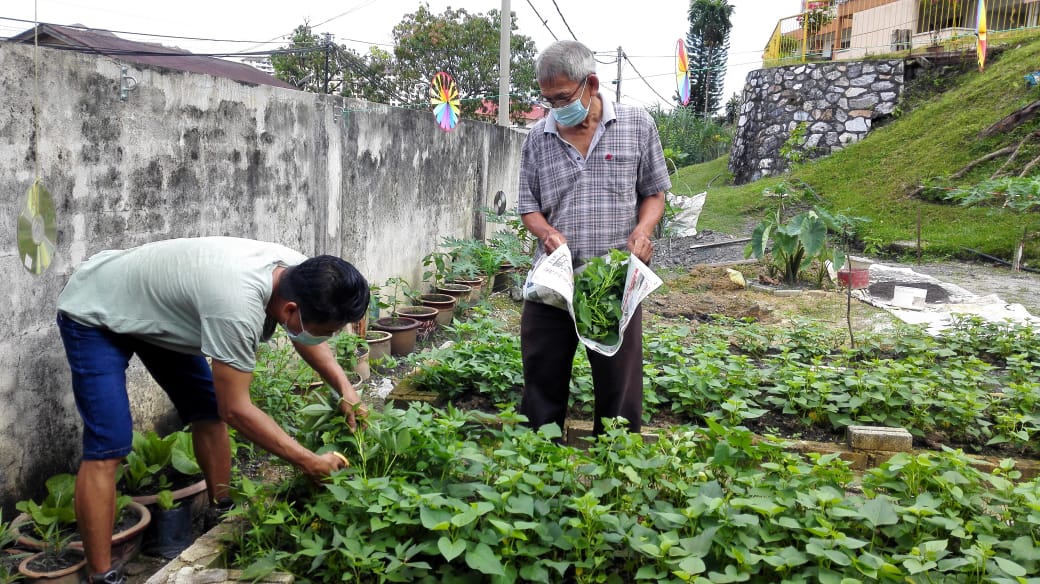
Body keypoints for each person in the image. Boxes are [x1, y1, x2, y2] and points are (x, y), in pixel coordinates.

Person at [55, 236, 369, 584]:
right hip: (95, 309)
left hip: (156, 310)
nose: (326, 336)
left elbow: (304, 335)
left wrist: (345, 388)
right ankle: (102, 575)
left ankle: (220, 510)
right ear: (290, 310)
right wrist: (308, 461)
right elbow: (236, 408)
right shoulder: (237, 304)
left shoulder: (303, 276)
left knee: (207, 411)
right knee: (109, 444)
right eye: (327, 330)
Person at [517, 40, 671, 437]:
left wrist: (643, 230)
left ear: (591, 84)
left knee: (618, 387)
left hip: (614, 282)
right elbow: (527, 206)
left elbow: (655, 192)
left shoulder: (637, 125)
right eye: (548, 99)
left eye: (563, 97)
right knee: (541, 373)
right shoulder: (537, 139)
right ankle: (539, 458)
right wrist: (548, 232)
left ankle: (616, 462)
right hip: (556, 282)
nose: (556, 107)